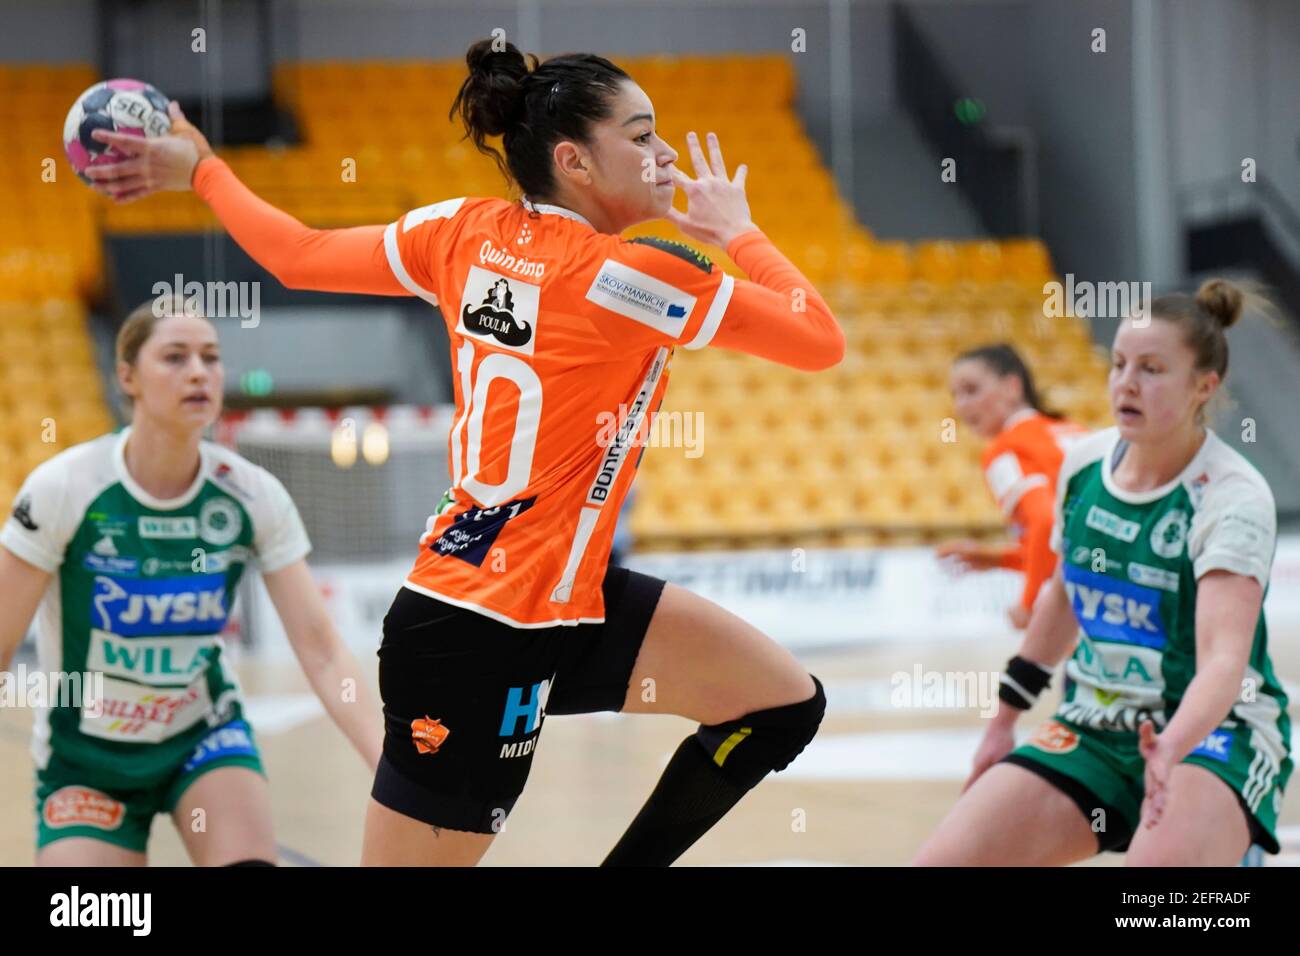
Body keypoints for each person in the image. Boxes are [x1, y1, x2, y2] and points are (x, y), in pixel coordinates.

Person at [85, 39, 845, 866]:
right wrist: (742, 233)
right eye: (641, 134)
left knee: (779, 705)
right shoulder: (638, 273)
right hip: (479, 633)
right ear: (574, 160)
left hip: (563, 602)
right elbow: (819, 340)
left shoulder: (461, 231)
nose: (664, 154)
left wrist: (203, 169)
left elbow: (294, 255)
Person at [914, 280, 1291, 866]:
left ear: (1203, 387)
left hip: (1213, 734)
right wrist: (1002, 724)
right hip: (1094, 728)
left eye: (1152, 368)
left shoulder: (1232, 496)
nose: (1127, 383)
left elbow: (1225, 659)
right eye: (1119, 364)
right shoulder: (1085, 462)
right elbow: (1065, 597)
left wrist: (1168, 747)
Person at [0, 300, 382, 866]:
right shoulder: (65, 488)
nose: (199, 371)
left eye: (211, 357)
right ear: (127, 376)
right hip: (87, 759)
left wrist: (392, 769)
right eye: (175, 357)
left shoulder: (251, 494)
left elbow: (323, 652)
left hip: (202, 736)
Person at [937, 344, 1084, 628]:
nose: (960, 406)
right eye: (954, 395)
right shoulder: (1073, 429)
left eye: (971, 390)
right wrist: (997, 558)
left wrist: (1026, 603)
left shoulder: (1005, 449)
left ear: (1012, 387)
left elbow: (1045, 523)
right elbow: (1073, 543)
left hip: (1091, 594)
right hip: (1134, 574)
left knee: (1030, 668)